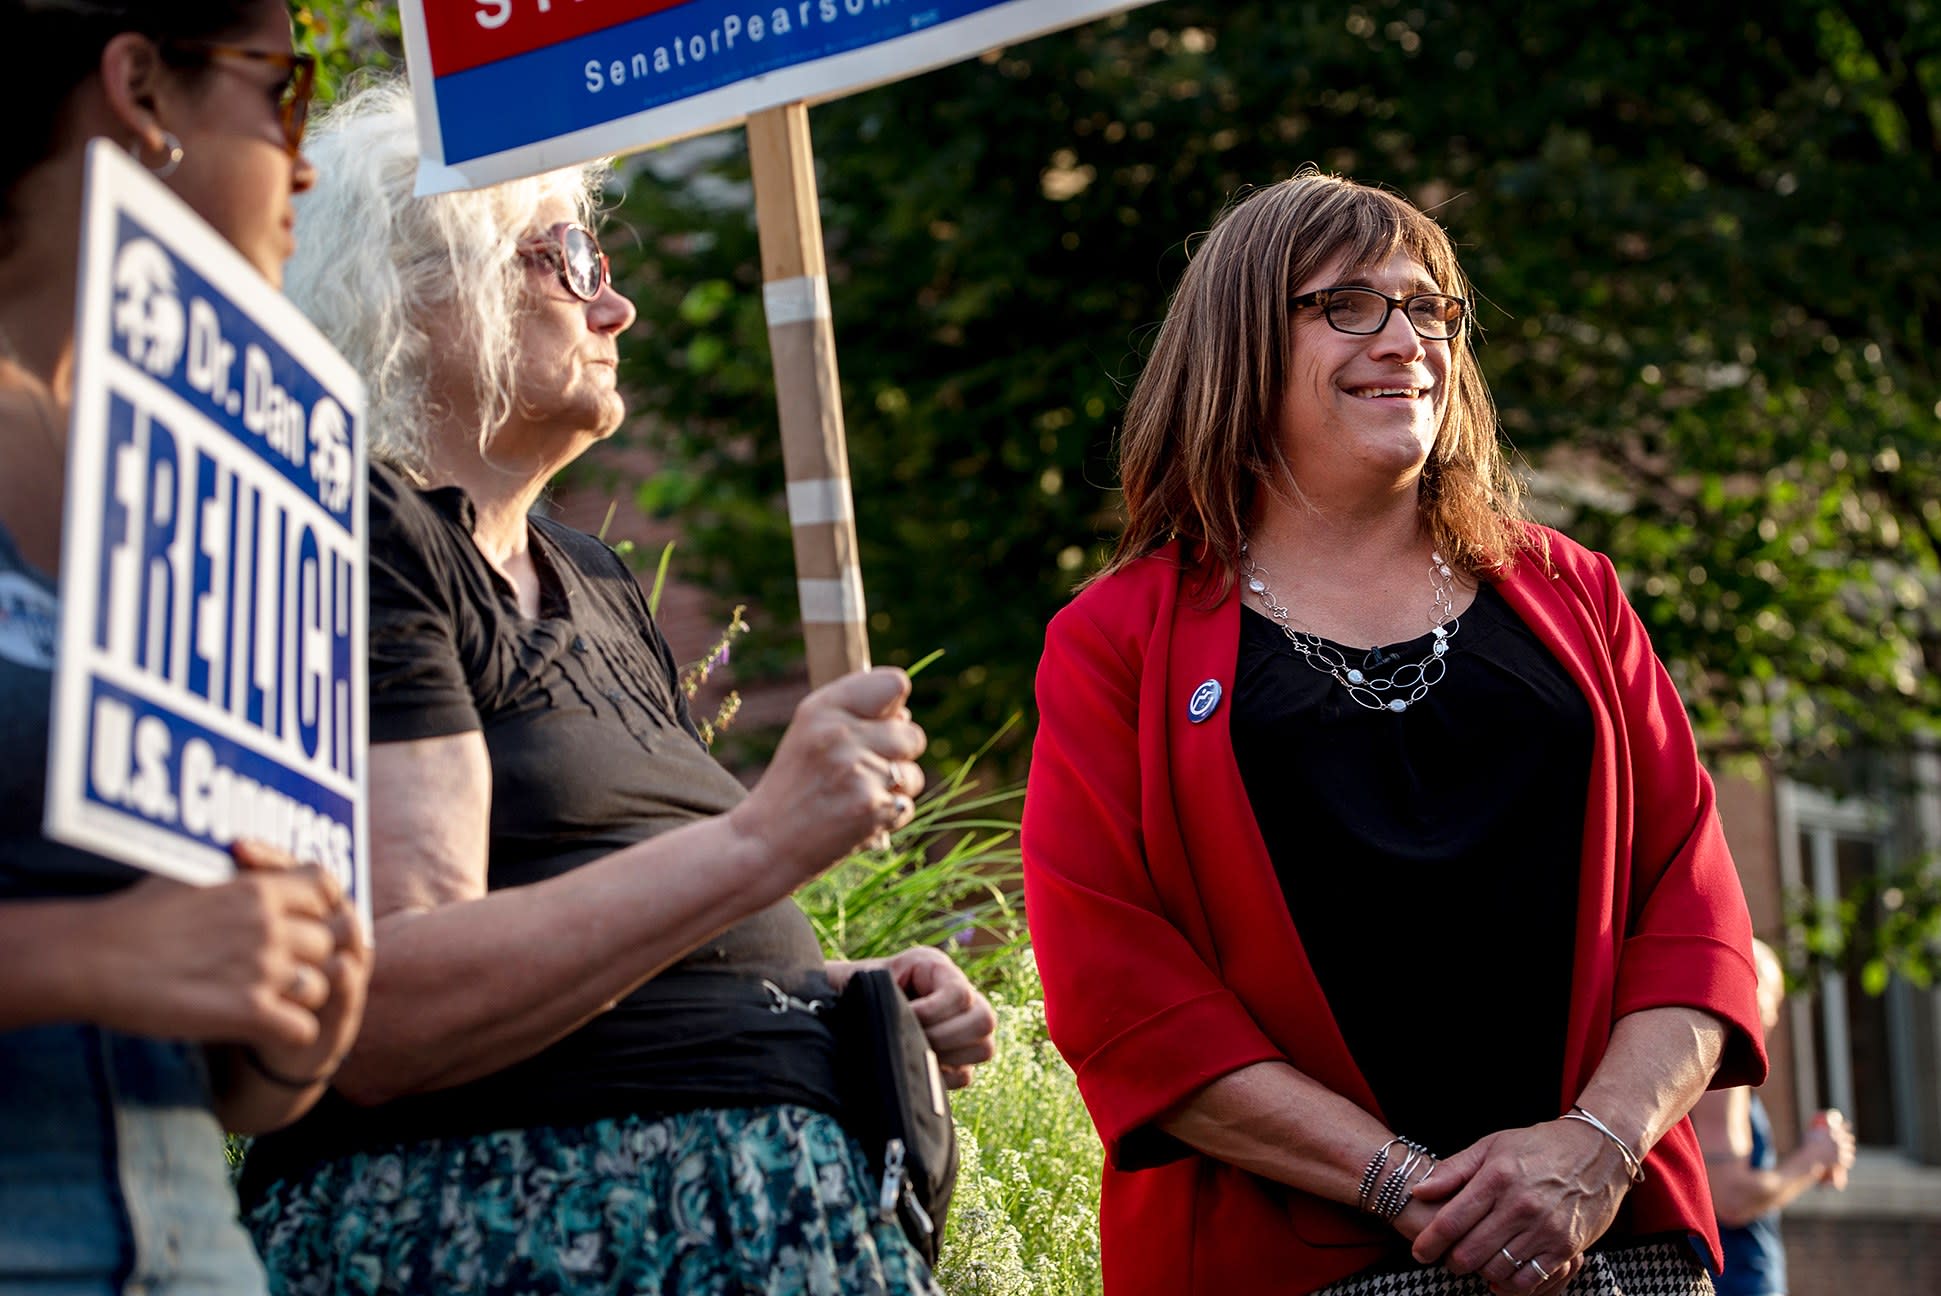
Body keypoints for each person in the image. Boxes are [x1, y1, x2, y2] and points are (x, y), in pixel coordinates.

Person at [237, 81, 996, 1296]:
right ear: (423, 289)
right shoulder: (360, 535)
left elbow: (620, 908)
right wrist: (763, 843)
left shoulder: (589, 577)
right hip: (525, 1222)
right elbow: (388, 1007)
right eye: (570, 259)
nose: (618, 300)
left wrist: (831, 992)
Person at [1021, 170, 1770, 1296]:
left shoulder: (1574, 592)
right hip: (1300, 1264)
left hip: (1613, 1241)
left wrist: (1594, 1151)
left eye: (1429, 308)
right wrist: (1411, 1187)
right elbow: (1125, 999)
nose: (1404, 338)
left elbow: (1693, 909)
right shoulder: (1118, 642)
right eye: (1347, 305)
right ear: (1240, 345)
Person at [0, 1, 370, 1291]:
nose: (303, 159)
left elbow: (234, 1080)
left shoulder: (217, 500)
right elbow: (133, 951)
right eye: (284, 92)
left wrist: (292, 1019)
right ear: (140, 88)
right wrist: (91, 958)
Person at [1693, 939, 1855, 1296]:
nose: (1774, 1016)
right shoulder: (1723, 1077)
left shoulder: (1720, 1070)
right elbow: (1731, 1199)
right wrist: (1811, 1159)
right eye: (1771, 994)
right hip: (1732, 1283)